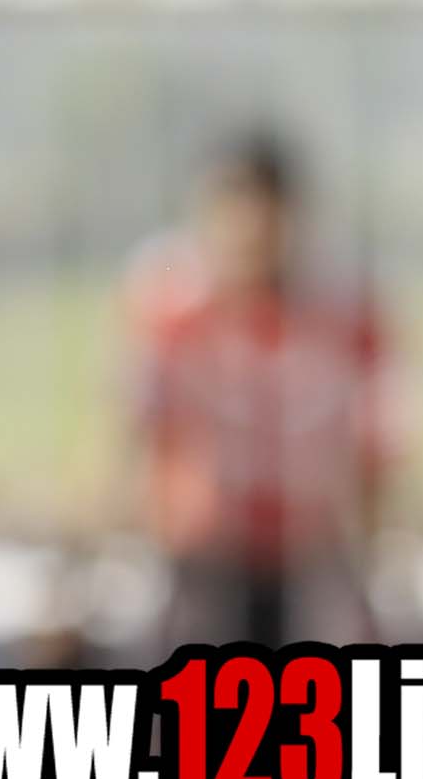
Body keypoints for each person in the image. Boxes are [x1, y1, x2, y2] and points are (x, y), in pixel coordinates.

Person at [119, 126, 398, 655]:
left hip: (311, 551)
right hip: (204, 553)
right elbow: (140, 431)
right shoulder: (172, 305)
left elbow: (378, 446)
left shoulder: (346, 311)